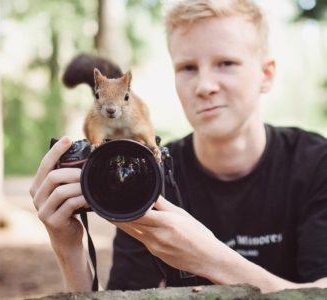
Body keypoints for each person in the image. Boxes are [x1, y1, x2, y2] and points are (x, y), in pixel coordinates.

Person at [29, 0, 327, 293]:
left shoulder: (317, 165)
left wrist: (212, 260)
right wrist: (68, 248)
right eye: (188, 67)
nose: (204, 86)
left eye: (226, 63)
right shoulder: (147, 172)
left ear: (267, 74)